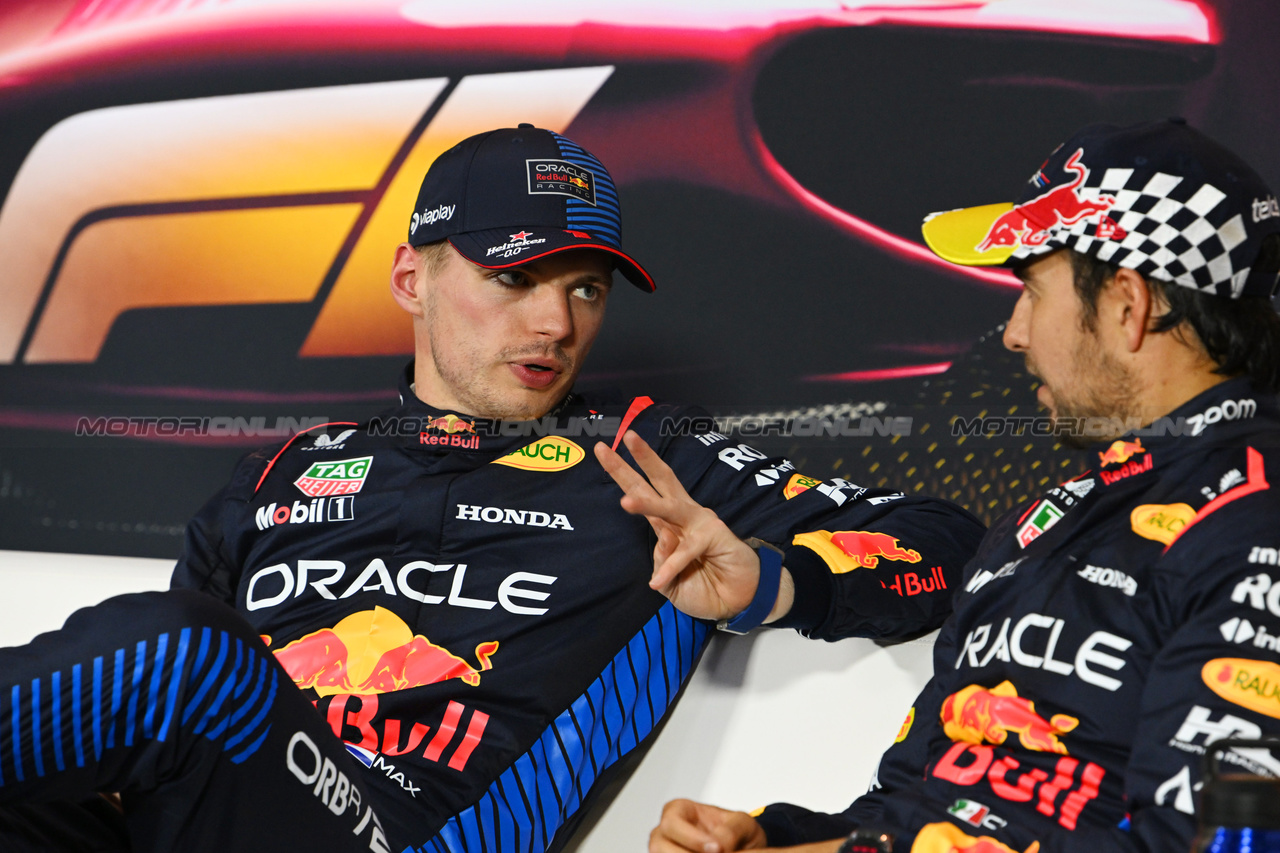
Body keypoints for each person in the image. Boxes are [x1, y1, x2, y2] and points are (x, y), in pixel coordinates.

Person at [0, 125, 985, 853]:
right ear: (409, 279)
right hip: (194, 825)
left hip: (399, 834)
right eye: (515, 279)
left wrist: (770, 580)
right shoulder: (285, 471)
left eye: (585, 286)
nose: (555, 322)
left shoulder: (651, 460)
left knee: (182, 659)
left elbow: (942, 543)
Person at [643, 118, 1280, 853]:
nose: (1012, 334)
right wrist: (774, 839)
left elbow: (1227, 841)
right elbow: (921, 806)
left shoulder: (1252, 525)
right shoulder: (1049, 520)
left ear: (1127, 306)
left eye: (1033, 293)